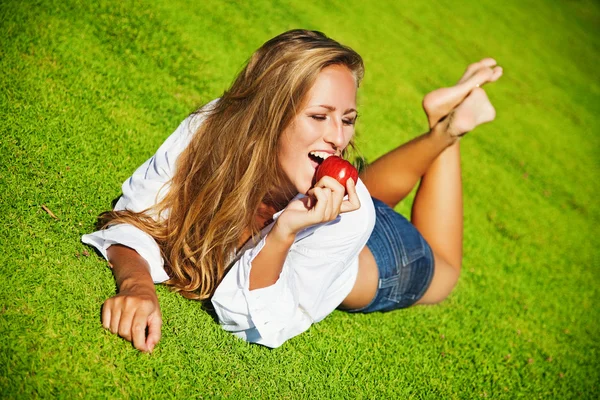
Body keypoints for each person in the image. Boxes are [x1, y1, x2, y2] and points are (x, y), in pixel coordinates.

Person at [82, 29, 502, 351]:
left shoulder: (351, 218)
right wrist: (137, 286)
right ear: (269, 113)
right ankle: (444, 125)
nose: (338, 137)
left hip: (378, 256)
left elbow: (250, 319)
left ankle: (450, 131)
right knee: (363, 190)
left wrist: (284, 233)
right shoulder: (210, 128)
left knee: (443, 272)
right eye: (319, 115)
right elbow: (136, 217)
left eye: (347, 119)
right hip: (339, 201)